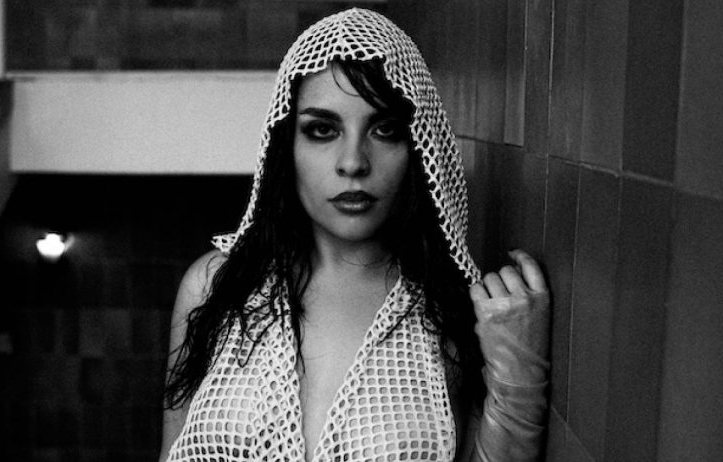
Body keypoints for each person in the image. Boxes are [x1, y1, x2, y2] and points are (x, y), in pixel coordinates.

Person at [159, 8, 550, 462]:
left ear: (418, 148)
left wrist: (519, 387)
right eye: (322, 130)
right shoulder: (215, 287)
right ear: (286, 147)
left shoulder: (449, 314)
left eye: (385, 130)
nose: (353, 162)